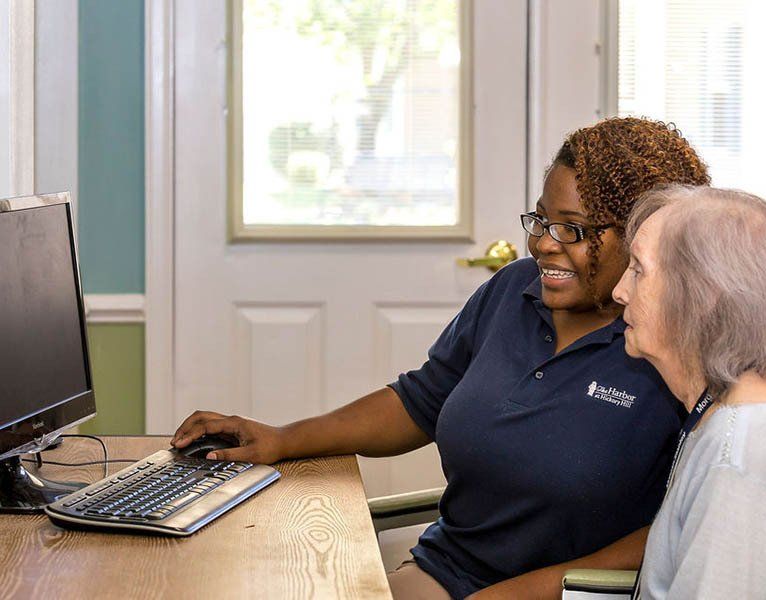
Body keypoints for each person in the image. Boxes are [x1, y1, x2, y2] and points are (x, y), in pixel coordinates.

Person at [171, 117, 710, 599]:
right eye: (541, 221)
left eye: (572, 230)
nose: (544, 244)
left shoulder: (674, 345)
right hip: (449, 575)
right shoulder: (512, 292)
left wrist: (530, 591)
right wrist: (283, 438)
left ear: (646, 239)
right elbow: (421, 400)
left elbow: (682, 525)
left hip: (573, 594)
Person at [613, 185, 766, 599]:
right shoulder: (746, 403)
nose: (619, 292)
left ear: (703, 295)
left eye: (639, 270)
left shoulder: (738, 459)